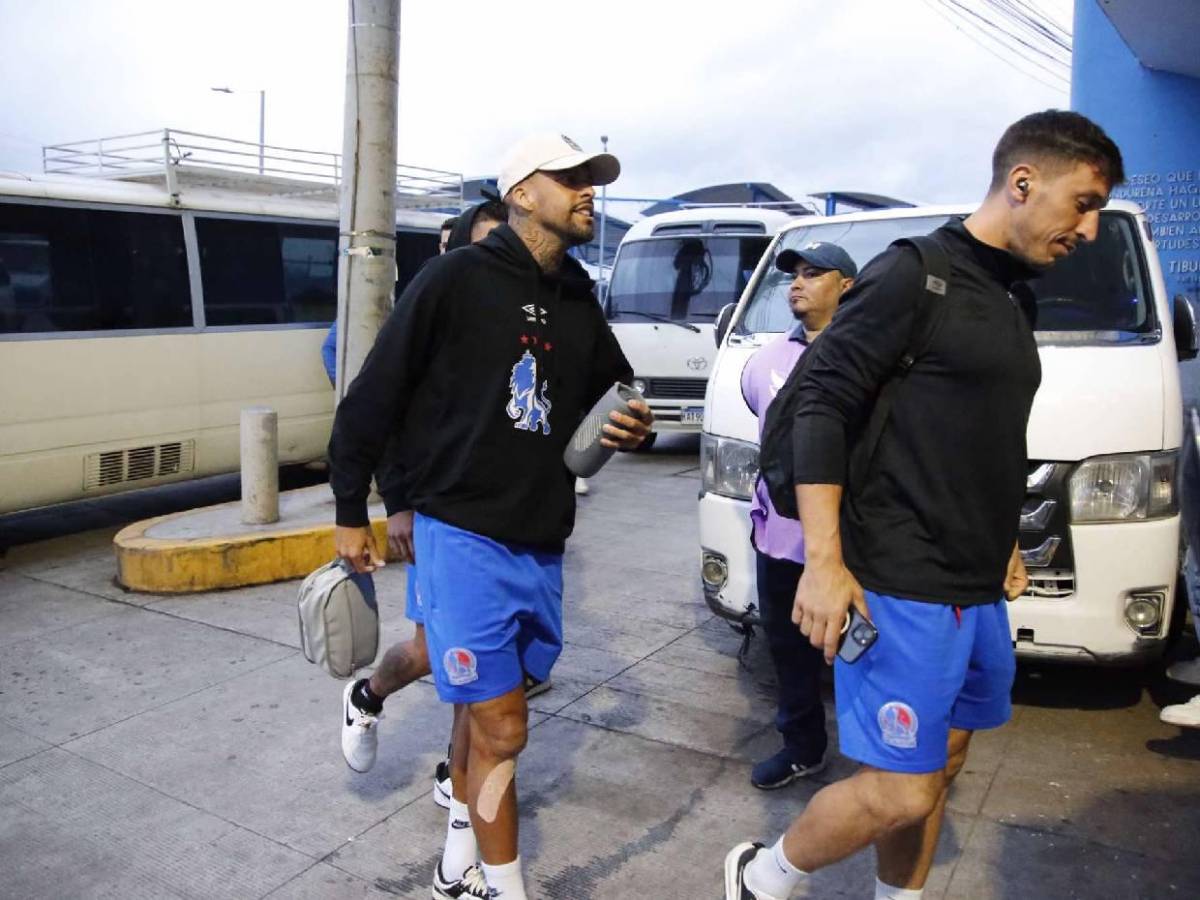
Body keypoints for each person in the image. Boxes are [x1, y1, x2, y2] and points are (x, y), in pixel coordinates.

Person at [725, 109, 1124, 900]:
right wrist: (826, 560)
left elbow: (977, 433)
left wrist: (1001, 535)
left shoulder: (1015, 299)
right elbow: (823, 406)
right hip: (901, 579)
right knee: (900, 788)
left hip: (975, 583)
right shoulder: (916, 272)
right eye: (1083, 202)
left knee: (942, 764)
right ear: (1022, 182)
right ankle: (760, 877)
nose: (1089, 227)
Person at [329, 132, 650, 900]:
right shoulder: (454, 280)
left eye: (591, 179)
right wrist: (355, 510)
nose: (588, 191)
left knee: (485, 722)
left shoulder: (576, 295)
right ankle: (507, 888)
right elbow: (375, 398)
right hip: (459, 530)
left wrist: (630, 423)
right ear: (522, 193)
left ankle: (454, 866)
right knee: (504, 726)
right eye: (569, 177)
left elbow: (617, 388)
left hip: (540, 539)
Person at [340, 201, 535, 813]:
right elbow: (379, 416)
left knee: (478, 667)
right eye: (484, 247)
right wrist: (393, 505)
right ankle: (368, 697)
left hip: (504, 527)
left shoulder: (523, 323)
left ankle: (457, 781)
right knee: (437, 651)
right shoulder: (430, 318)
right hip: (437, 518)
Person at [740, 242, 856, 790]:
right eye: (794, 275)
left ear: (847, 286)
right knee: (788, 653)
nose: (798, 283)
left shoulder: (867, 356)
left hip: (849, 546)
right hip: (780, 541)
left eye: (814, 274)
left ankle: (882, 754)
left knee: (860, 650)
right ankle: (803, 746)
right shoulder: (764, 363)